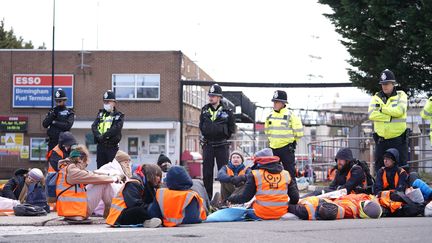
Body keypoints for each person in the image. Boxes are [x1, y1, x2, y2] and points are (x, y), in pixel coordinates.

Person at [227, 148, 299, 220]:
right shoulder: (286, 174)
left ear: (259, 162)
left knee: (247, 210)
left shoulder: (255, 174)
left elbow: (245, 197)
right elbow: (295, 198)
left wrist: (230, 199)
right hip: (282, 213)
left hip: (261, 214)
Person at [56, 145, 123, 222]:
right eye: (86, 164)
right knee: (103, 183)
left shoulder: (67, 169)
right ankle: (114, 211)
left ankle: (111, 210)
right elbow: (93, 177)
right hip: (76, 211)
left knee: (100, 181)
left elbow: (90, 174)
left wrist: (108, 176)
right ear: (80, 160)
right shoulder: (72, 171)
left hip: (72, 210)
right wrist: (114, 178)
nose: (85, 167)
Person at [199, 84, 236, 199]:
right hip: (208, 145)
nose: (211, 98)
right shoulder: (204, 110)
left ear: (219, 97)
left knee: (224, 173)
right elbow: (201, 126)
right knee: (207, 174)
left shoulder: (228, 111)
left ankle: (225, 199)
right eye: (210, 95)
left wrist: (222, 136)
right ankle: (208, 199)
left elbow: (231, 129)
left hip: (222, 146)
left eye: (214, 96)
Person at [368, 69, 408, 173]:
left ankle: (401, 189)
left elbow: (400, 111)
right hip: (381, 141)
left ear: (393, 84)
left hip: (398, 140)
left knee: (401, 169)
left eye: (387, 83)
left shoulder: (401, 95)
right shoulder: (376, 98)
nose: (384, 86)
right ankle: (380, 189)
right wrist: (389, 117)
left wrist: (382, 109)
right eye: (382, 84)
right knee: (379, 170)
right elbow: (371, 114)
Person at [265, 90, 303, 180]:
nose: (274, 104)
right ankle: (277, 193)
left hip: (286, 149)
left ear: (283, 103)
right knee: (273, 174)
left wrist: (291, 142)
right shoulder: (269, 115)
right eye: (274, 102)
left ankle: (292, 193)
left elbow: (299, 133)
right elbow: (267, 132)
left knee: (290, 174)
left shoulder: (291, 115)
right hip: (273, 149)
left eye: (277, 102)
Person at [92, 90, 124, 169]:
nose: (106, 104)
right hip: (101, 147)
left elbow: (116, 128)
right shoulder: (100, 114)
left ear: (114, 103)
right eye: (105, 102)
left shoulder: (119, 115)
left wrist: (104, 136)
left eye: (108, 102)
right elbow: (94, 126)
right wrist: (98, 135)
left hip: (112, 148)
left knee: (113, 171)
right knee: (101, 170)